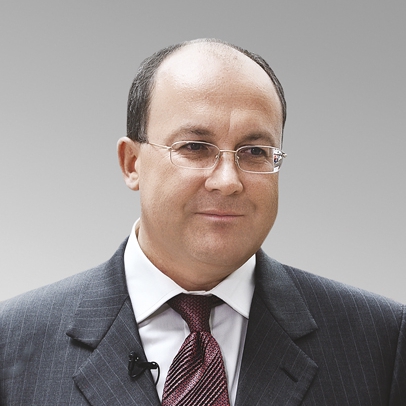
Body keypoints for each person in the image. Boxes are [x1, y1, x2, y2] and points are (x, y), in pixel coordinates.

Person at [0, 38, 405, 406]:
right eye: (195, 147)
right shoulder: (12, 343)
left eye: (254, 151)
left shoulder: (380, 342)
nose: (227, 181)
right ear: (132, 163)